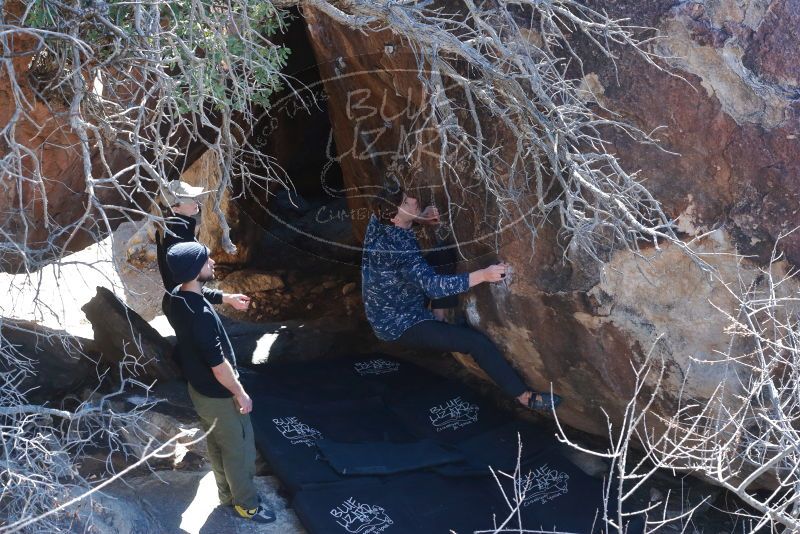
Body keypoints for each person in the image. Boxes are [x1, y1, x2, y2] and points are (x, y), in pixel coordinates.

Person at [361, 183, 562, 411]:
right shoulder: (399, 251)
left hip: (401, 298)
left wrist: (419, 218)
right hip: (399, 323)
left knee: (443, 253)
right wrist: (484, 275)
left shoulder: (379, 219)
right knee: (474, 343)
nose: (414, 200)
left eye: (408, 196)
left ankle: (439, 317)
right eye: (406, 202)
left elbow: (422, 272)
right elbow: (434, 287)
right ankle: (524, 397)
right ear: (395, 219)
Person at [165, 241, 275, 523]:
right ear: (193, 270)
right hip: (219, 392)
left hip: (199, 389)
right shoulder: (201, 318)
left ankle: (226, 494)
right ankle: (246, 504)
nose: (212, 262)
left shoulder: (175, 297)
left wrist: (226, 298)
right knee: (240, 450)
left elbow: (200, 293)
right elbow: (217, 364)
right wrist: (239, 393)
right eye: (205, 260)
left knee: (217, 445)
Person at [155, 180, 250, 318]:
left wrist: (227, 298)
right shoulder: (179, 240)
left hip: (179, 304)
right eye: (190, 199)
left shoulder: (170, 229)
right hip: (188, 311)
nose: (196, 202)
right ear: (175, 209)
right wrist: (226, 298)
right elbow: (188, 288)